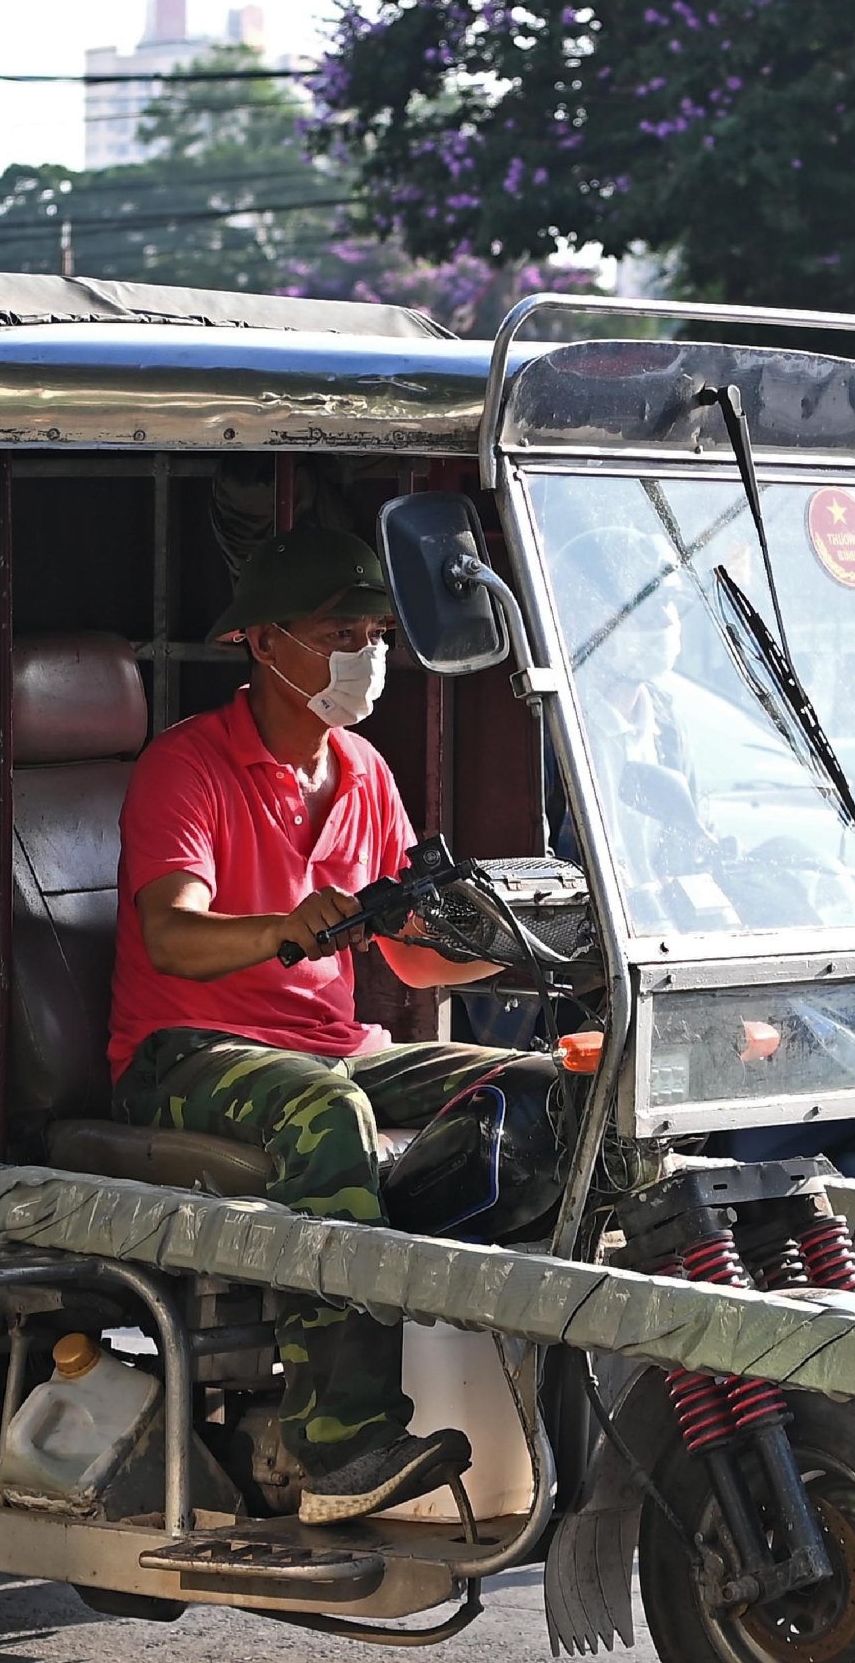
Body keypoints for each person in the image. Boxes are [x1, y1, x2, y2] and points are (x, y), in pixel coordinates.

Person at [106, 523, 568, 1525]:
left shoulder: (365, 774)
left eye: (377, 632)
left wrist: (531, 942)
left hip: (333, 1050)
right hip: (183, 1050)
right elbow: (173, 938)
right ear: (265, 642)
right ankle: (339, 1439)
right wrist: (281, 927)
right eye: (343, 631)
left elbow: (406, 955)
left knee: (547, 1089)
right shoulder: (185, 768)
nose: (369, 654)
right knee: (323, 1111)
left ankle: (556, 1387)